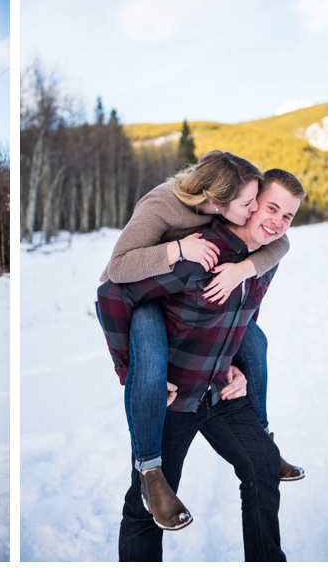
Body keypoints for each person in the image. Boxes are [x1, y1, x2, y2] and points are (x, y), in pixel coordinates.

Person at [102, 169, 306, 561]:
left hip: (220, 392)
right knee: (147, 507)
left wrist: (241, 364)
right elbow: (114, 294)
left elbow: (247, 313)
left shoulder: (266, 259)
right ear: (247, 204)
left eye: (288, 216)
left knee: (263, 466)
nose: (278, 223)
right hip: (174, 400)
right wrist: (134, 373)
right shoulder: (198, 254)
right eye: (271, 208)